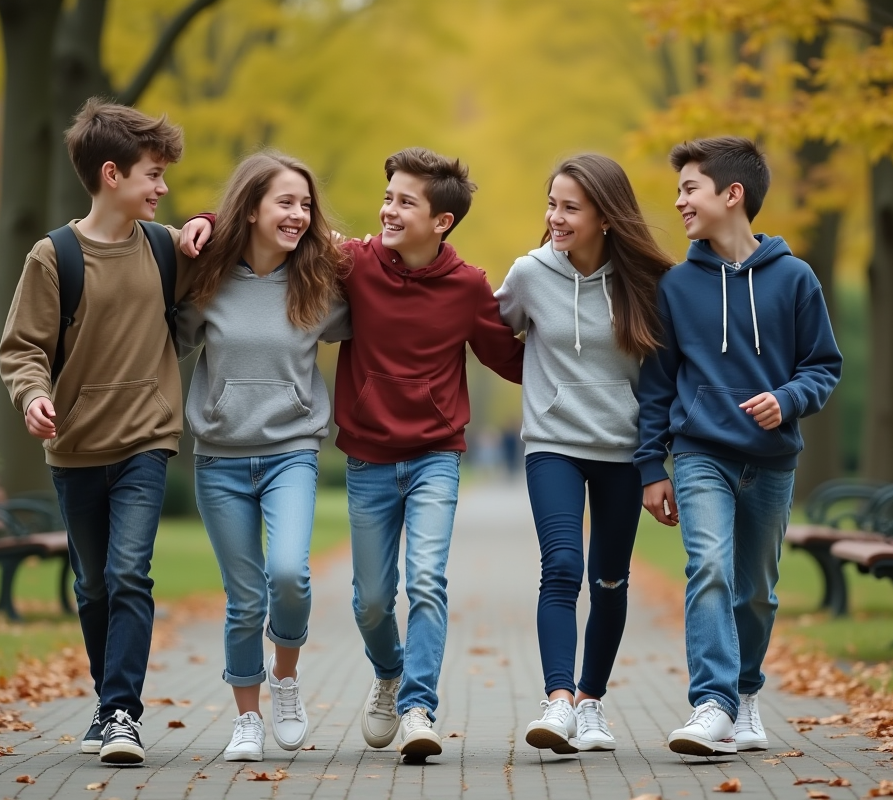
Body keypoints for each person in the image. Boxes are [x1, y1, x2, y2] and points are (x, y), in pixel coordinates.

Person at [180, 147, 524, 762]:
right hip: (365, 456)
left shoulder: (469, 286)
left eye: (403, 201)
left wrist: (588, 361)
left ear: (441, 220)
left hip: (435, 456)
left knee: (425, 581)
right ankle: (388, 674)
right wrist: (206, 219)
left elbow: (512, 357)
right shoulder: (354, 263)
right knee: (370, 602)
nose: (388, 209)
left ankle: (418, 709)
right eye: (387, 196)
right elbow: (274, 222)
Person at [634, 136, 842, 756]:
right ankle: (711, 704)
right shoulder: (675, 287)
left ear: (733, 194)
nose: (679, 202)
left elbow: (823, 367)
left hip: (772, 459)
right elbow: (656, 385)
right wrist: (652, 465)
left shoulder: (795, 277)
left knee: (756, 589)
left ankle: (746, 695)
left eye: (689, 188)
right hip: (701, 453)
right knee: (709, 570)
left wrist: (789, 398)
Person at [0, 97, 190, 765]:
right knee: (95, 586)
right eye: (153, 174)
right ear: (112, 174)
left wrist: (204, 223)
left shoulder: (167, 247)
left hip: (146, 439)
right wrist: (33, 397)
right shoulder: (54, 257)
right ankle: (109, 702)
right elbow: (21, 346)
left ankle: (119, 713)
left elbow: (230, 258)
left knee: (129, 574)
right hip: (75, 446)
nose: (163, 187)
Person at [175, 152, 350, 761]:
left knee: (289, 574)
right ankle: (246, 719)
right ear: (250, 208)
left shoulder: (319, 283)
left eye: (306, 205)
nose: (298, 214)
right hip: (219, 459)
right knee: (245, 597)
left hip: (291, 452)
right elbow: (166, 337)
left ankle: (287, 676)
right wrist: (198, 224)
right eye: (285, 202)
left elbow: (384, 308)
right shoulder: (207, 280)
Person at [495, 154, 670, 754]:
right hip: (554, 445)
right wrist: (536, 382)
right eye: (552, 204)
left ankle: (592, 702)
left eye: (571, 207)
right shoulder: (529, 273)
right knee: (564, 565)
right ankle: (559, 700)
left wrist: (655, 465)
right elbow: (493, 329)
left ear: (607, 217)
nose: (556, 217)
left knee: (611, 580)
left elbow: (659, 380)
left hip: (622, 450)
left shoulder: (646, 284)